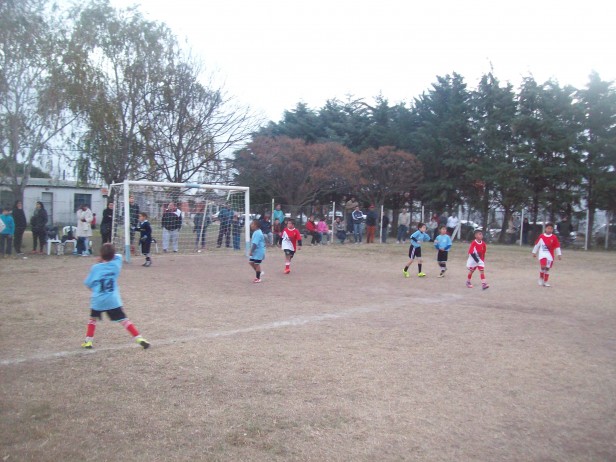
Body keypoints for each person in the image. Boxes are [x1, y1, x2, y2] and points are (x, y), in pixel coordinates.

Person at [81, 243, 150, 349]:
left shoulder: (95, 268)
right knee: (124, 320)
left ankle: (88, 341)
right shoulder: (115, 265)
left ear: (101, 254)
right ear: (113, 256)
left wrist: (99, 260)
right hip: (112, 300)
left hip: (98, 299)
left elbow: (88, 284)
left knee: (92, 319)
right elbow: (118, 256)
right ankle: (139, 338)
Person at [532, 222, 562, 287]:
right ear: (545, 229)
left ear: (552, 230)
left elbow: (557, 246)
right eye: (548, 228)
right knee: (543, 266)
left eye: (551, 229)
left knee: (547, 268)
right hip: (542, 254)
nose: (549, 230)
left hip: (550, 255)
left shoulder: (554, 237)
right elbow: (537, 244)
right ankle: (541, 278)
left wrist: (559, 254)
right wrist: (534, 252)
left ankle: (545, 281)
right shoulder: (541, 236)